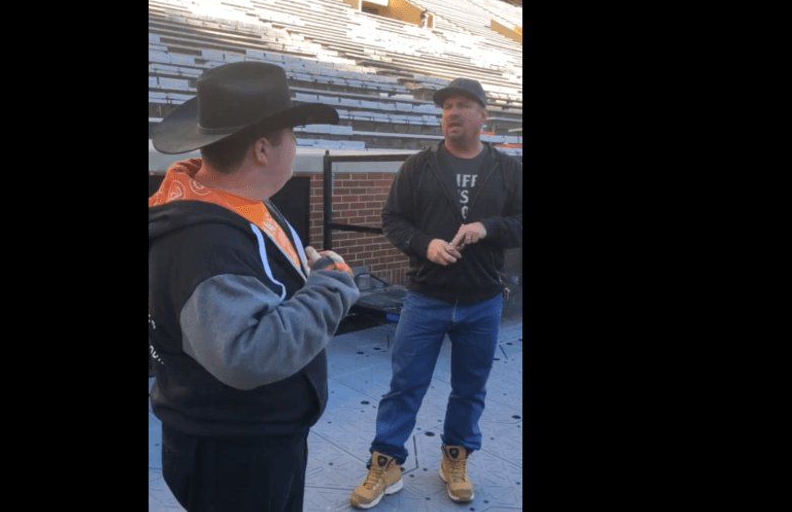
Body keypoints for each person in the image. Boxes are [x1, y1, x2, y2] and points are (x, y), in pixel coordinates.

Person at [148, 61, 361, 512]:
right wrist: (332, 284)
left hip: (259, 433)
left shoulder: (231, 199)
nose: (297, 146)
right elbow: (248, 353)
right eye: (293, 136)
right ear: (263, 149)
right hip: (236, 452)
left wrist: (306, 272)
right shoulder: (203, 241)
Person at [349, 77, 522, 508]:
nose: (452, 113)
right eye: (446, 106)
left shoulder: (508, 169)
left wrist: (489, 227)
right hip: (426, 298)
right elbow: (393, 220)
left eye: (464, 105)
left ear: (484, 116)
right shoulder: (418, 166)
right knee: (404, 386)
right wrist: (424, 243)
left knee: (470, 389)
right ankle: (385, 463)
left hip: (482, 299)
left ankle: (455, 459)